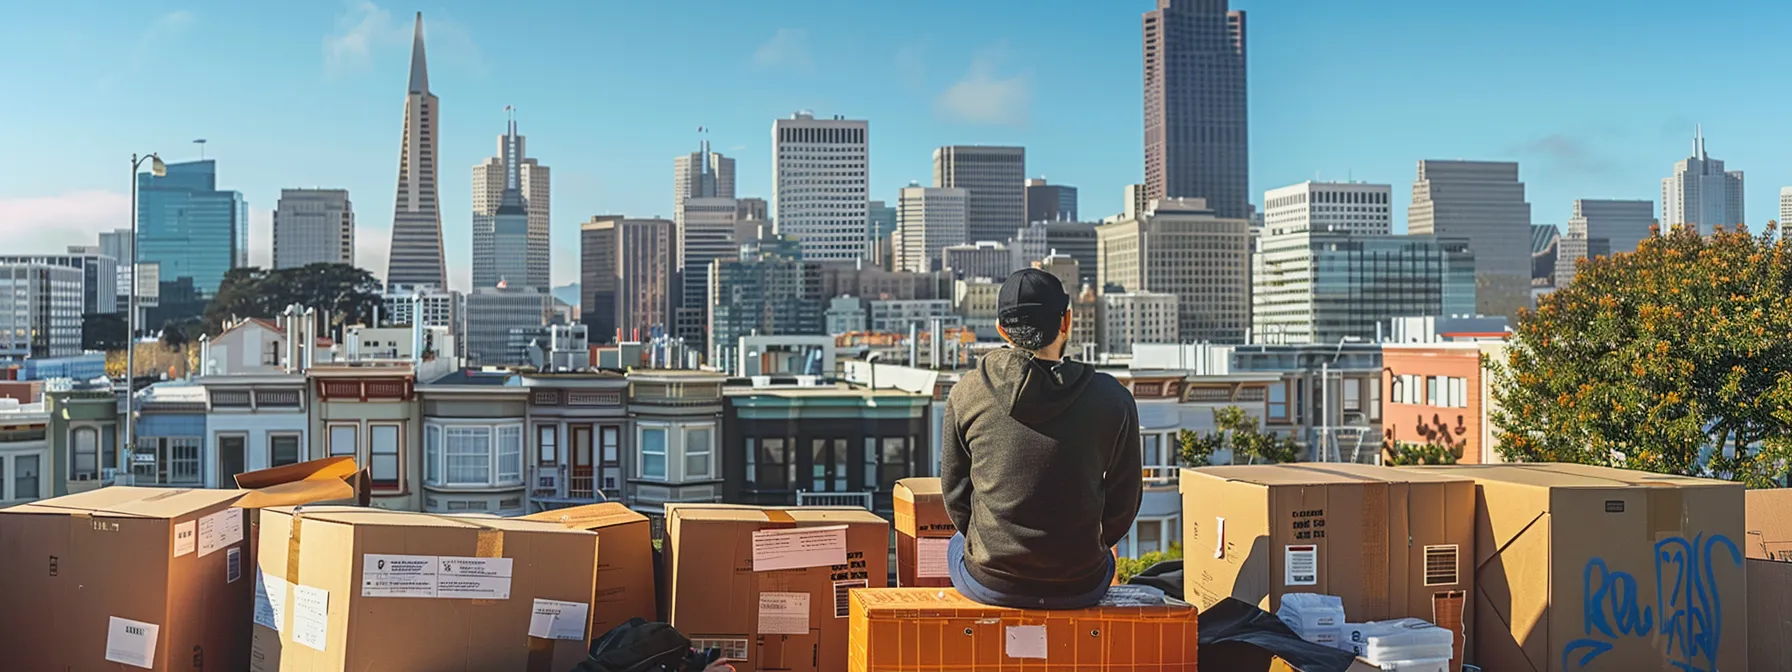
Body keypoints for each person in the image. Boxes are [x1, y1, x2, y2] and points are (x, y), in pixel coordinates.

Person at [940, 268, 1144, 609]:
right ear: (1066, 322)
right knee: (1106, 556)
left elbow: (955, 494)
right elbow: (1125, 501)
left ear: (1001, 329)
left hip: (991, 581)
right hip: (1080, 583)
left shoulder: (967, 393)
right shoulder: (1113, 397)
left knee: (954, 543)